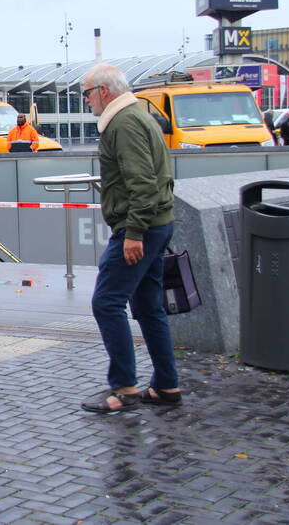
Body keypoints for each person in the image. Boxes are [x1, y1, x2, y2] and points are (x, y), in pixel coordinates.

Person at [79, 63, 181, 413]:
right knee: (148, 307)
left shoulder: (122, 123)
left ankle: (124, 388)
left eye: (87, 93)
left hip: (140, 228)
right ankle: (167, 385)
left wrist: (133, 233)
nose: (87, 100)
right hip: (155, 224)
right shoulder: (137, 116)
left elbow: (142, 183)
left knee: (107, 302)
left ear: (104, 91)